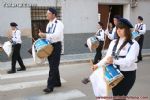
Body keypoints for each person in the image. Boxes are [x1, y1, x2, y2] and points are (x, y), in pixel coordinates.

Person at [92, 18, 139, 97]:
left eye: (121, 28)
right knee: (116, 95)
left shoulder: (133, 44)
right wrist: (97, 65)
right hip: (114, 73)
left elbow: (129, 61)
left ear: (127, 30)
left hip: (127, 75)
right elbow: (107, 57)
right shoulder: (114, 42)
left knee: (120, 96)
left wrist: (114, 61)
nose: (118, 30)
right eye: (117, 28)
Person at [38, 7, 64, 93]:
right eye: (47, 13)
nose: (47, 15)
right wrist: (43, 36)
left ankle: (50, 86)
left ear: (53, 14)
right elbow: (49, 36)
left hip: (56, 46)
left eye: (48, 13)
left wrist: (45, 35)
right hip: (50, 46)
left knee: (53, 66)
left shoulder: (59, 23)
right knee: (53, 65)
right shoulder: (49, 24)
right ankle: (57, 82)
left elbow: (56, 35)